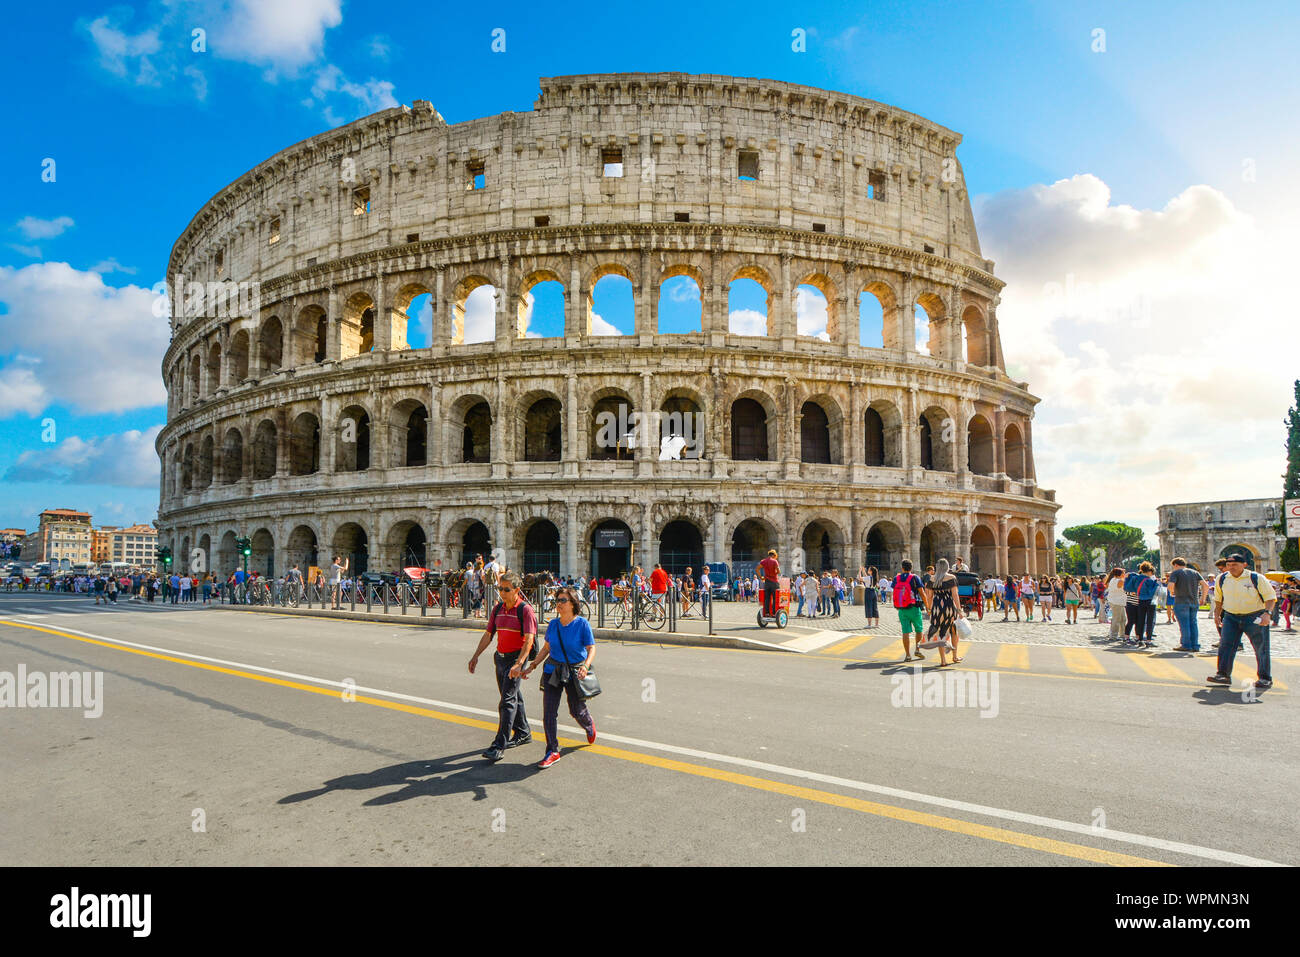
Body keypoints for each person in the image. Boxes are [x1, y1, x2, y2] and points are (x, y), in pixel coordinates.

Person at [522, 585, 596, 769]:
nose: (559, 604)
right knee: (549, 712)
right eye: (557, 600)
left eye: (563, 600)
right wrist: (532, 665)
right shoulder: (554, 624)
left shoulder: (582, 624)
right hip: (553, 670)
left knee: (576, 710)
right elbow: (547, 648)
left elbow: (591, 648)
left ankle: (588, 724)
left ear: (573, 603)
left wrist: (586, 666)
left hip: (574, 671)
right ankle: (552, 751)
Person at [468, 573, 537, 761]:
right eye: (500, 589)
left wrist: (520, 663)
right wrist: (475, 656)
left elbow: (529, 640)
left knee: (507, 701)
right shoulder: (498, 609)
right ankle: (523, 732)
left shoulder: (525, 610)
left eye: (506, 589)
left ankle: (499, 745)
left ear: (516, 590)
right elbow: (488, 634)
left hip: (515, 660)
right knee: (513, 697)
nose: (502, 593)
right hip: (500, 659)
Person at [1207, 554, 1275, 691]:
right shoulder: (1222, 578)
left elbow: (1270, 597)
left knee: (1261, 647)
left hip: (1254, 616)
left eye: (1235, 565)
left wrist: (1267, 613)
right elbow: (1219, 599)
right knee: (1225, 646)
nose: (1231, 567)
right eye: (1228, 565)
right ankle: (1223, 675)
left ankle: (1265, 678)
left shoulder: (1256, 578)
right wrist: (1217, 614)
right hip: (1231, 617)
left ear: (1244, 565)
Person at [921, 558, 964, 666]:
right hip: (949, 608)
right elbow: (955, 595)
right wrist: (959, 610)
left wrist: (929, 609)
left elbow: (929, 596)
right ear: (947, 567)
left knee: (940, 633)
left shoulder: (932, 578)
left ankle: (943, 660)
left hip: (937, 608)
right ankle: (954, 656)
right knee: (954, 631)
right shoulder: (951, 578)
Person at [1167, 557, 1205, 652]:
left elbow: (1170, 586)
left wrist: (1172, 592)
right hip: (1194, 601)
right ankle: (1195, 645)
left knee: (1184, 624)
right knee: (1193, 623)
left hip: (1181, 601)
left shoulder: (1176, 573)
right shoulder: (1195, 572)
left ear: (1175, 565)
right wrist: (1203, 598)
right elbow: (1206, 585)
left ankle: (1186, 645)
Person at [893, 559, 926, 661]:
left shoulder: (896, 578)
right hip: (914, 608)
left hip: (902, 609)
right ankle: (917, 649)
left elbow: (895, 591)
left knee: (905, 632)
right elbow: (922, 593)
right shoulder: (915, 578)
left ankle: (907, 655)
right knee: (919, 630)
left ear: (902, 568)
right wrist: (928, 606)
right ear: (911, 568)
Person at [758, 549, 780, 619]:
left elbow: (757, 569)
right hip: (774, 582)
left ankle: (767, 613)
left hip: (767, 582)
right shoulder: (774, 561)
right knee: (775, 598)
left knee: (767, 598)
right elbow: (778, 571)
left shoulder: (763, 561)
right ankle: (774, 613)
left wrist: (761, 577)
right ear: (774, 555)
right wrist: (775, 573)